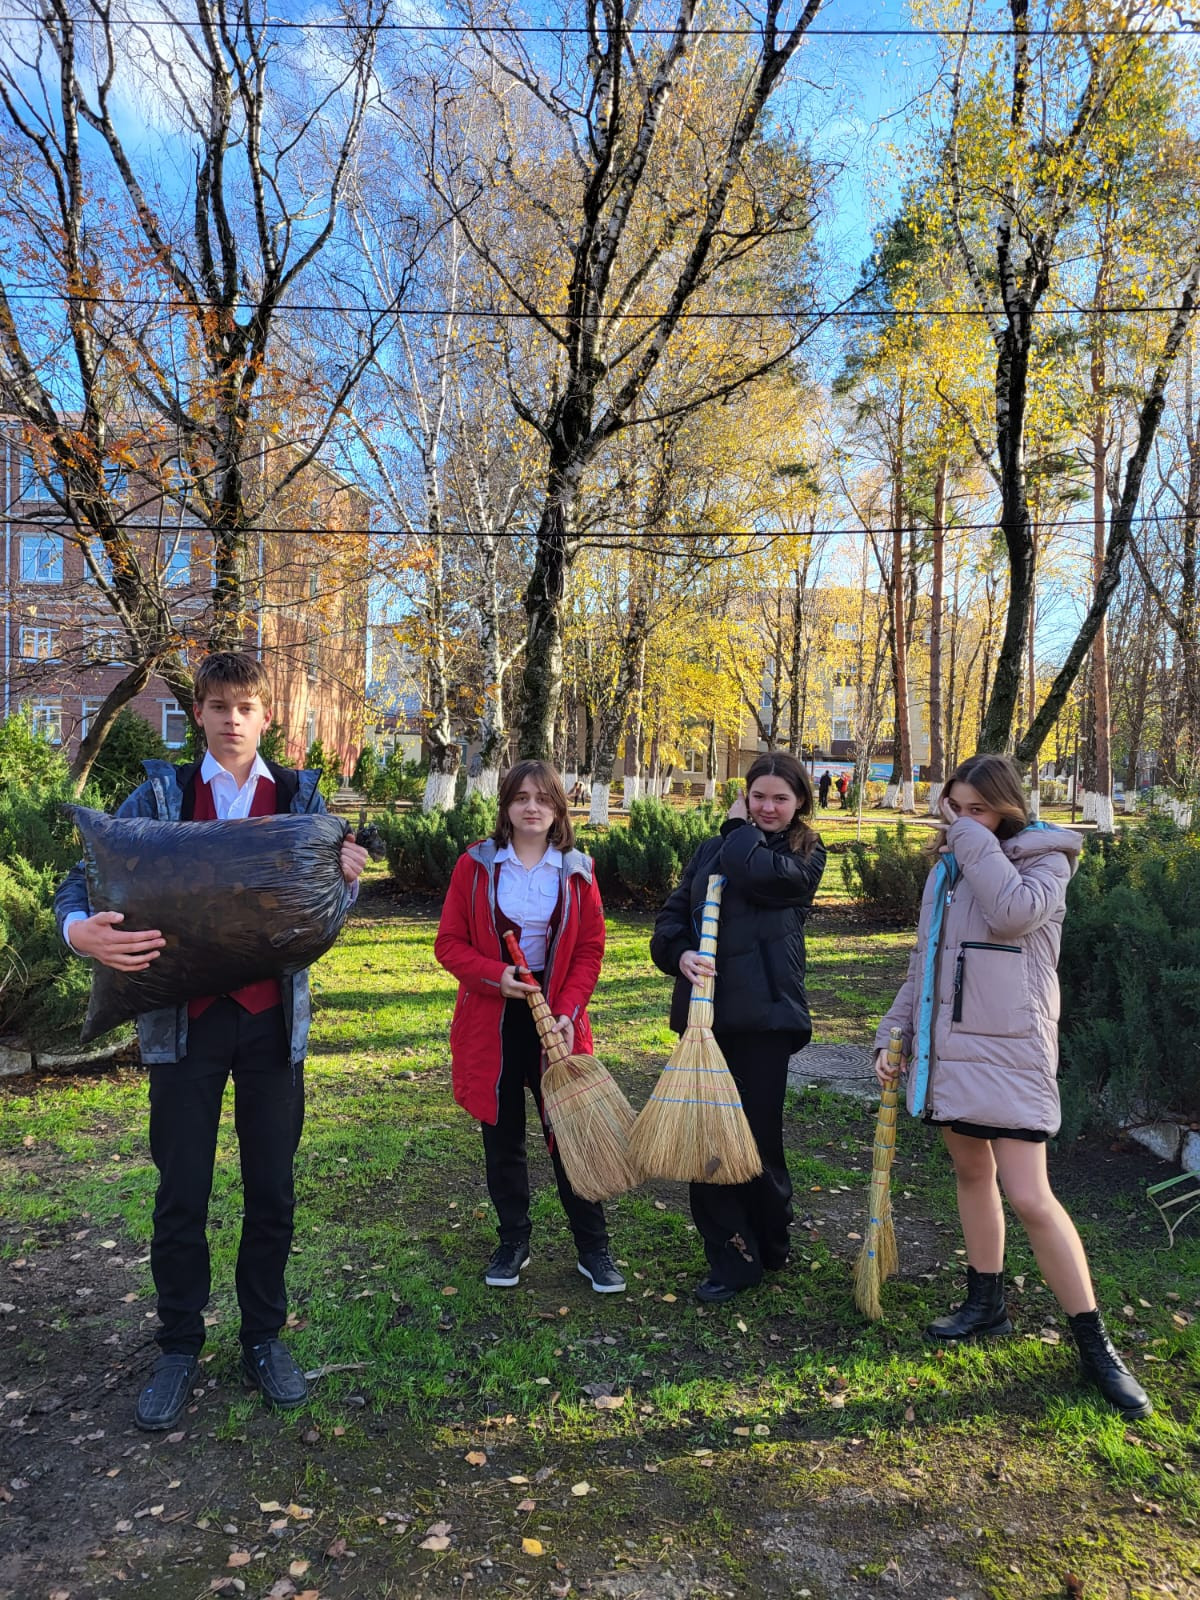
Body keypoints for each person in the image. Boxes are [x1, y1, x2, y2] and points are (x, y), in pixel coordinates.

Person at [55, 652, 368, 1431]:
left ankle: (264, 1338)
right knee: (181, 1190)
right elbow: (82, 874)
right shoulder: (162, 796)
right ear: (198, 712)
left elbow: (322, 904)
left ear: (267, 716)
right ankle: (177, 1346)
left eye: (246, 707)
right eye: (218, 706)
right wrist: (79, 932)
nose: (232, 719)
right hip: (184, 1029)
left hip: (270, 1027)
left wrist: (349, 879)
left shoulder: (298, 796)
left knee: (272, 1188)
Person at [874, 753, 1152, 1420]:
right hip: (951, 1052)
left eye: (979, 809)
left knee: (1030, 1195)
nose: (966, 822)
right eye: (957, 809)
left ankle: (1095, 1347)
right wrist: (895, 1031)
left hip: (1012, 1055)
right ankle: (985, 1303)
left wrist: (965, 838)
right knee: (971, 1172)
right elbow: (926, 960)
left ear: (1006, 807)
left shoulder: (1044, 861)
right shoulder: (945, 874)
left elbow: (1011, 916)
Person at [434, 760, 625, 1294]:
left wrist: (566, 1013)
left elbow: (589, 949)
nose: (531, 807)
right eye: (521, 797)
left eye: (543, 798)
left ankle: (594, 1247)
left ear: (559, 808)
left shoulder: (578, 869)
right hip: (492, 1017)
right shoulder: (474, 865)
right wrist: (496, 975)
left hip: (556, 1019)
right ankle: (513, 1239)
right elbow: (448, 944)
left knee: (570, 1133)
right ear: (506, 806)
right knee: (503, 1136)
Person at [650, 752, 826, 1302]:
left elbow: (759, 875)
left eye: (780, 798)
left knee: (757, 1142)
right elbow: (671, 919)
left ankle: (772, 1239)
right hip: (706, 1021)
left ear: (799, 803)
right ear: (745, 795)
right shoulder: (710, 851)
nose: (768, 807)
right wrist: (678, 955)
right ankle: (731, 1258)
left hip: (766, 1022)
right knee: (707, 1143)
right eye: (758, 797)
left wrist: (733, 828)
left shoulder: (805, 854)